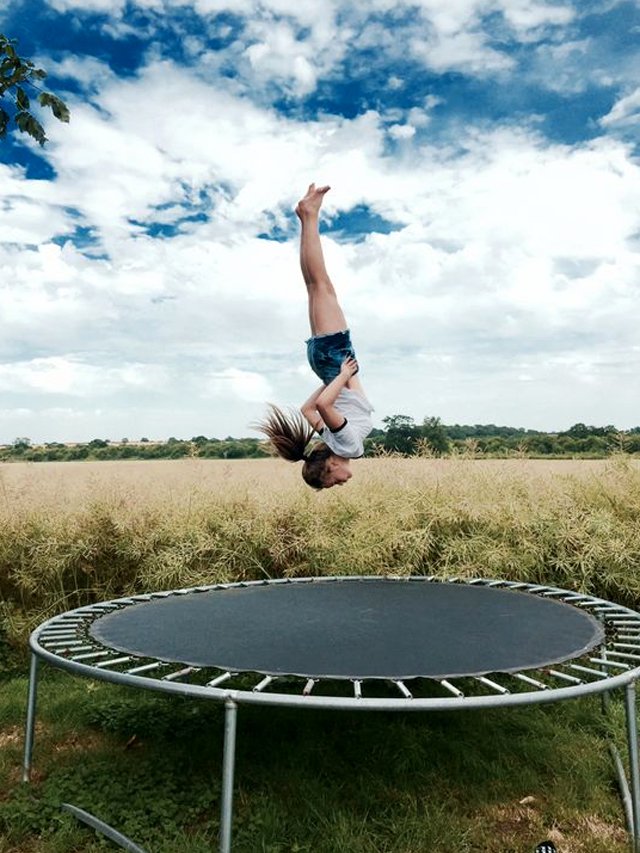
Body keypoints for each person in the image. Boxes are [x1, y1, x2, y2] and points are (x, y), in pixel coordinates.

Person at [257, 183, 374, 489]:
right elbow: (309, 409)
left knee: (320, 283)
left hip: (334, 359)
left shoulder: (349, 448)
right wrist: (327, 379)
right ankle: (306, 215)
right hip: (323, 361)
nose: (340, 483)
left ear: (331, 466)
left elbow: (322, 405)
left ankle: (309, 214)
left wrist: (341, 375)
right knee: (314, 286)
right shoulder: (330, 438)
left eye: (332, 482)